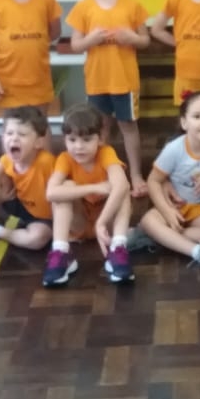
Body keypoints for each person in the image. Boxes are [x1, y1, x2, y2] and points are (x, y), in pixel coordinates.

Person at [67, 0, 152, 198]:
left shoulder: (132, 6)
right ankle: (100, 173)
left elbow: (145, 40)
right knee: (99, 128)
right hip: (97, 81)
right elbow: (75, 45)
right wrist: (90, 40)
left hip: (125, 81)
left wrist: (132, 38)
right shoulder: (84, 7)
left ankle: (135, 174)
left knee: (129, 127)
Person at [139, 91, 200, 270]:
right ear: (184, 122)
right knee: (148, 220)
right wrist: (167, 211)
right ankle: (197, 252)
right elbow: (153, 180)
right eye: (197, 116)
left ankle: (161, 238)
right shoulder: (174, 149)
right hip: (176, 205)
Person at [44, 103, 133, 286]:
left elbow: (121, 185)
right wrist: (93, 188)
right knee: (65, 187)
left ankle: (118, 248)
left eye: (86, 140)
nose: (79, 147)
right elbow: (51, 193)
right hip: (80, 224)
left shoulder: (106, 153)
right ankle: (61, 251)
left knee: (122, 187)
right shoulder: (64, 159)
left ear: (100, 138)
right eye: (72, 140)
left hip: (106, 226)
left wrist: (102, 222)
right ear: (64, 140)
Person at [0, 106, 57, 250]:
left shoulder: (46, 163)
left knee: (38, 238)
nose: (14, 138)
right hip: (17, 204)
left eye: (22, 134)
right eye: (9, 133)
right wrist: (0, 199)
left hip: (44, 216)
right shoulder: (5, 160)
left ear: (39, 142)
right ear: (2, 137)